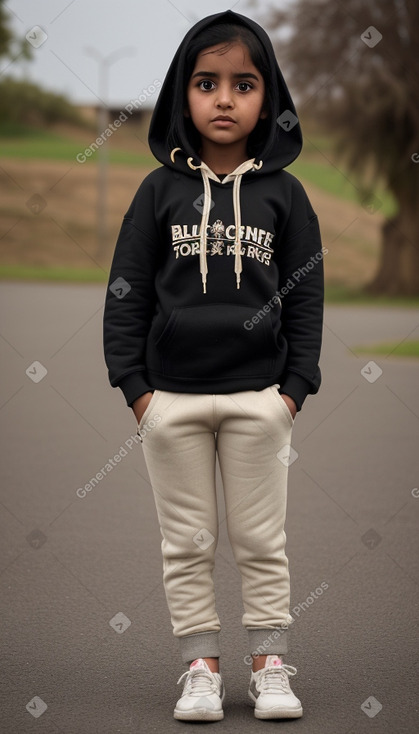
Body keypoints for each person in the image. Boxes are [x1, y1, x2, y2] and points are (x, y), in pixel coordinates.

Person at [103, 9, 324, 722]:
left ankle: (269, 665)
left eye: (243, 83)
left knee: (262, 541)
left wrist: (292, 391)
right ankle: (199, 668)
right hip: (171, 402)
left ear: (269, 100)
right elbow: (126, 292)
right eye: (206, 83)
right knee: (187, 544)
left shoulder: (283, 196)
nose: (224, 99)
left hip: (259, 399)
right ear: (182, 95)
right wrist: (137, 391)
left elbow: (307, 293)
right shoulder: (156, 193)